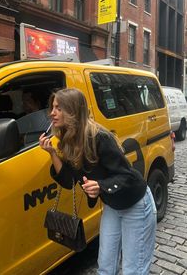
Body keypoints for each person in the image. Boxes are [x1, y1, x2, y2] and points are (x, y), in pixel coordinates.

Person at [39, 88, 156, 275]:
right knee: (105, 266)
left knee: (133, 270)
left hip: (135, 204)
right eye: (52, 107)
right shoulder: (68, 139)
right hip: (113, 205)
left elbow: (128, 176)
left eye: (58, 108)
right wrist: (53, 153)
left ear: (73, 111)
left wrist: (101, 186)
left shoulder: (99, 137)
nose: (52, 113)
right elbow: (69, 182)